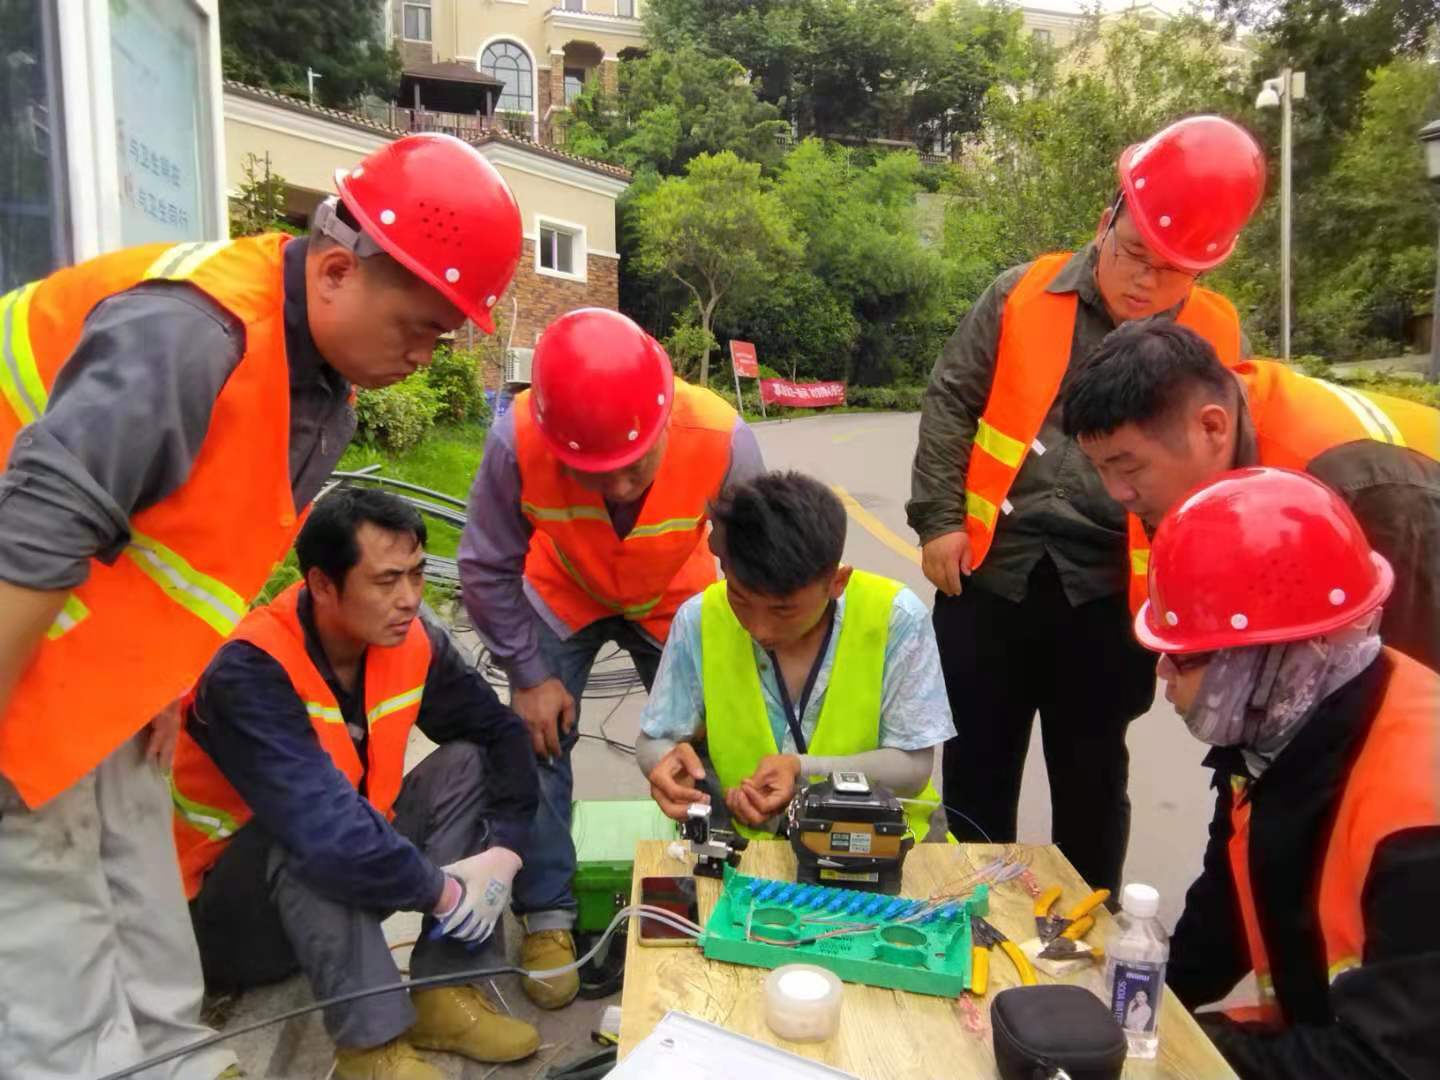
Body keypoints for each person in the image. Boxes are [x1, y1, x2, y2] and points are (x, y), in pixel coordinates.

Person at [0, 133, 522, 1079]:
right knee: (52, 943)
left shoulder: (318, 397)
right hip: (18, 642)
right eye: (416, 327)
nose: (424, 356)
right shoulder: (192, 334)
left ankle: (181, 1059)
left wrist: (159, 680)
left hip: (95, 666)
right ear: (336, 269)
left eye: (442, 338)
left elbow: (185, 548)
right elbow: (37, 526)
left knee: (134, 885)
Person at [906, 115, 1265, 893]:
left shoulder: (1214, 332)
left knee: (1093, 776)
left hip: (1109, 592)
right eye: (1132, 252)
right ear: (1106, 221)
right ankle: (970, 914)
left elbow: (1224, 476)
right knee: (977, 767)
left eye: (1171, 271)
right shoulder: (1022, 293)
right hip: (991, 575)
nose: (1144, 281)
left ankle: (1091, 928)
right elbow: (951, 399)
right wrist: (938, 520)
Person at [173, 490, 541, 1080]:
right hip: (229, 921)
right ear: (322, 584)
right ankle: (370, 1047)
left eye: (416, 574)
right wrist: (444, 893)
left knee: (469, 763)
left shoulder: (409, 640)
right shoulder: (248, 671)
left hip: (348, 876)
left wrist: (506, 849)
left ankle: (445, 992)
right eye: (387, 580)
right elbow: (323, 828)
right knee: (305, 832)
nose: (410, 598)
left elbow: (501, 733)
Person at [458, 307, 764, 1008]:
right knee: (534, 742)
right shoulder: (516, 439)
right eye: (596, 474)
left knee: (715, 737)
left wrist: (723, 683)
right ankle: (547, 914)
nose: (621, 489)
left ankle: (721, 882)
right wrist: (528, 675)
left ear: (663, 421)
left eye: (636, 467)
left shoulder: (723, 438)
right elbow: (485, 566)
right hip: (562, 591)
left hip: (673, 593)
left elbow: (756, 567)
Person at [1134, 467, 1439, 1079]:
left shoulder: (1418, 810)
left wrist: (1190, 1050)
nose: (1164, 673)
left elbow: (1390, 1062)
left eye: (1187, 657)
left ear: (1275, 658)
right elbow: (1225, 917)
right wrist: (1136, 1010)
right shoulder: (1280, 734)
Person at [1061, 319, 1440, 669]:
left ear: (1212, 427)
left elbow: (1410, 682)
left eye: (1129, 468)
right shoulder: (1206, 430)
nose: (1117, 492)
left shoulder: (1354, 488)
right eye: (1099, 468)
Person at [638, 471, 955, 841]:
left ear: (837, 582)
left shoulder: (896, 618)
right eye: (739, 599)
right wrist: (663, 762)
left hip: (884, 843)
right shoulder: (699, 619)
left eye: (783, 611)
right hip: (754, 847)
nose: (760, 629)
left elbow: (913, 770)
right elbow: (653, 739)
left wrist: (803, 769)